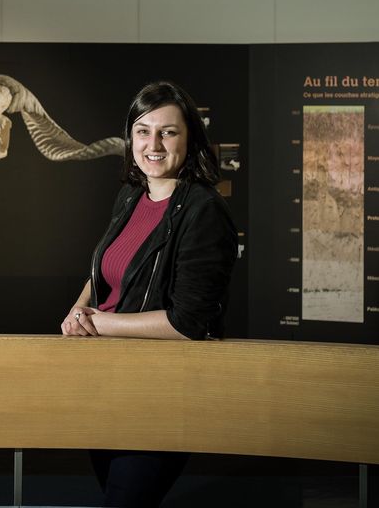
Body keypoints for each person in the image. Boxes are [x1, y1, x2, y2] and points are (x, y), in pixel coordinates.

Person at [59, 80, 238, 508]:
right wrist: (80, 308)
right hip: (107, 385)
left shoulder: (204, 210)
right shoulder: (130, 196)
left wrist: (99, 324)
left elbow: (188, 322)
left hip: (163, 391)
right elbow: (107, 272)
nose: (153, 144)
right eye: (143, 131)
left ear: (190, 138)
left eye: (168, 132)